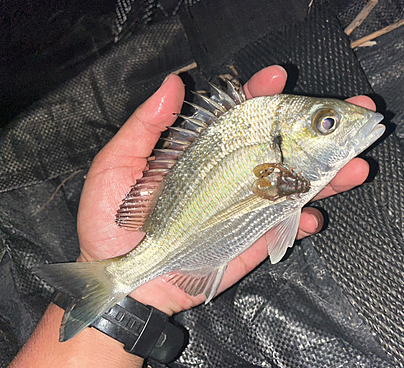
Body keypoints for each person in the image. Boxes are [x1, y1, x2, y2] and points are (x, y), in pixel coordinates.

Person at [10, 65, 377, 367]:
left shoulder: (286, 175)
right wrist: (102, 264)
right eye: (326, 123)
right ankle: (109, 277)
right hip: (172, 242)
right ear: (281, 148)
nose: (342, 125)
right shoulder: (280, 169)